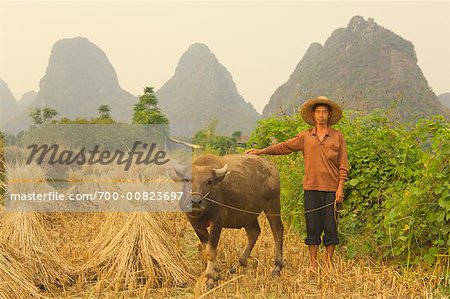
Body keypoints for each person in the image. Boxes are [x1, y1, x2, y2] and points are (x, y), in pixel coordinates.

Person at [245, 96, 348, 272]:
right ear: (313, 115)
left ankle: (329, 264)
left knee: (331, 228)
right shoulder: (306, 136)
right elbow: (284, 147)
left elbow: (343, 164)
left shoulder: (337, 136)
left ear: (329, 115)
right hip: (311, 188)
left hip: (331, 189)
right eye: (318, 112)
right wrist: (262, 151)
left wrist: (340, 187)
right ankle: (313, 264)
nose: (321, 115)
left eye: (324, 112)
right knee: (313, 227)